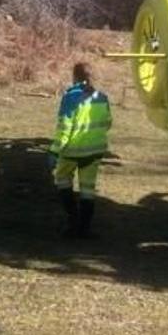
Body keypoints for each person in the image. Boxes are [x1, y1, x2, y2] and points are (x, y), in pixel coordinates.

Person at [49, 62, 113, 239]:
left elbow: (65, 128)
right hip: (94, 152)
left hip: (72, 151)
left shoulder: (70, 97)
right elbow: (107, 123)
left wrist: (54, 151)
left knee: (62, 180)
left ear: (75, 77)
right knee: (87, 189)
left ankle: (72, 219)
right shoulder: (102, 97)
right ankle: (85, 228)